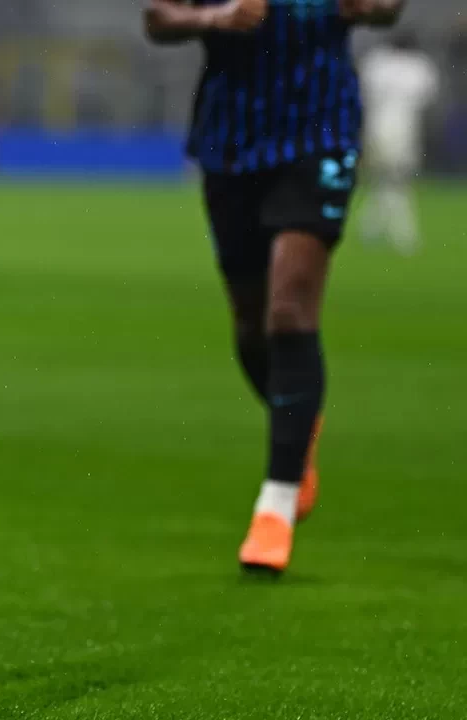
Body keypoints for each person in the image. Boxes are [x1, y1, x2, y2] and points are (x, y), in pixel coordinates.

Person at [143, 0, 405, 574]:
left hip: (320, 132)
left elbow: (389, 7)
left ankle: (276, 505)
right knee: (251, 325)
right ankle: (299, 428)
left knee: (289, 309)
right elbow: (157, 17)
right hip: (231, 140)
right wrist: (215, 19)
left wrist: (374, 6)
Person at [358, 31, 439, 255]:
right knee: (397, 183)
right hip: (406, 131)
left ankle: (370, 228)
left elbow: (363, 93)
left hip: (376, 129)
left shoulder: (377, 61)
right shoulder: (419, 66)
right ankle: (404, 235)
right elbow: (428, 98)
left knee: (386, 182)